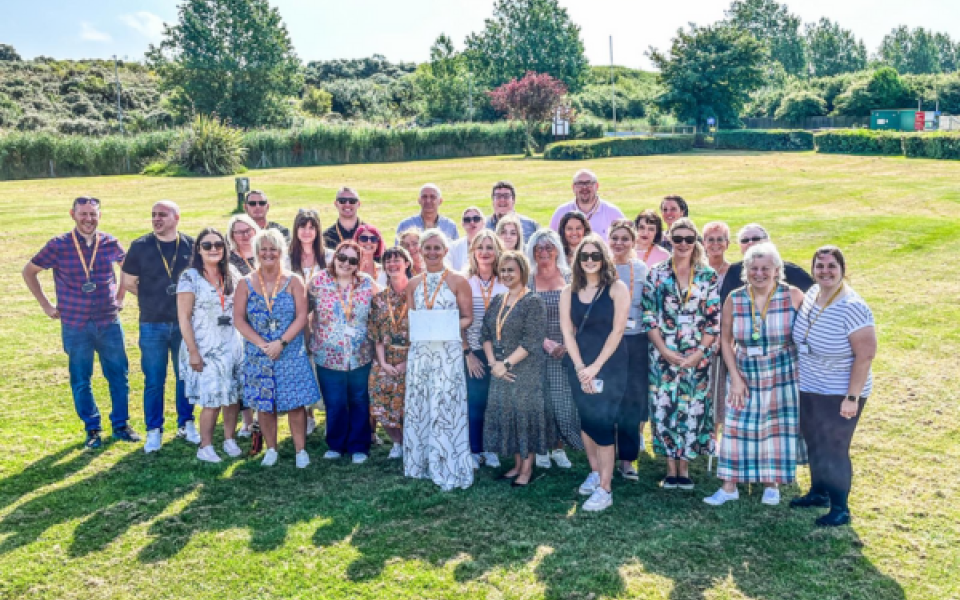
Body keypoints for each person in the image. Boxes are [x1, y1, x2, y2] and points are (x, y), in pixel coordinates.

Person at [22, 196, 139, 449]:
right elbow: (28, 271)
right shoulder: (59, 245)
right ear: (72, 214)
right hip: (75, 323)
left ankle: (121, 425)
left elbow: (128, 270)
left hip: (108, 321)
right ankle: (92, 428)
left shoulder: (109, 242)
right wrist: (45, 305)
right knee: (80, 378)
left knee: (119, 375)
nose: (88, 219)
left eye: (93, 214)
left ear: (99, 215)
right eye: (83, 214)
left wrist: (120, 296)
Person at [705, 243, 805, 507]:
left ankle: (772, 483)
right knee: (737, 425)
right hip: (745, 367)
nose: (759, 274)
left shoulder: (792, 295)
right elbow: (725, 341)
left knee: (776, 427)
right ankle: (729, 486)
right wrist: (735, 378)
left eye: (765, 269)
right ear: (746, 270)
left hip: (782, 368)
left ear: (776, 271)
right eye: (753, 268)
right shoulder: (735, 298)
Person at [790, 246, 876, 527]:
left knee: (834, 447)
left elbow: (865, 355)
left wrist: (851, 397)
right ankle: (819, 492)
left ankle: (840, 507)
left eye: (831, 266)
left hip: (840, 391)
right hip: (810, 386)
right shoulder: (813, 294)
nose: (825, 271)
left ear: (842, 269)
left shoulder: (853, 307)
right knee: (814, 440)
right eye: (820, 266)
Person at [643, 217, 720, 490]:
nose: (683, 244)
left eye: (689, 239)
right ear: (670, 241)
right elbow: (649, 316)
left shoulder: (707, 276)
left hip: (696, 358)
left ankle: (684, 468)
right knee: (664, 408)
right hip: (662, 356)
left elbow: (713, 319)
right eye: (678, 239)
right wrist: (663, 350)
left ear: (695, 241)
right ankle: (669, 468)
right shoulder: (657, 273)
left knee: (690, 410)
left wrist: (699, 352)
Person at [234, 229, 320, 467]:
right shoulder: (245, 283)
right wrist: (263, 345)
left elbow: (302, 316)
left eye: (273, 249)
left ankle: (300, 450)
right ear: (257, 252)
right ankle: (271, 449)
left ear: (281, 252)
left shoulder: (293, 281)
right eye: (264, 249)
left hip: (290, 350)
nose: (268, 253)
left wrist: (281, 342)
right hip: (259, 353)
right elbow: (239, 319)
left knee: (295, 402)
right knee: (265, 403)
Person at [560, 233, 630, 512]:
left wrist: (595, 367)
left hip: (609, 364)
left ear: (604, 259)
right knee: (586, 420)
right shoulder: (570, 291)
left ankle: (606, 487)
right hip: (579, 363)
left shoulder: (616, 288)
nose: (590, 261)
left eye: (595, 256)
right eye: (584, 256)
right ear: (578, 260)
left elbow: (618, 330)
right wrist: (579, 367)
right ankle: (594, 471)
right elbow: (567, 331)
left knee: (602, 423)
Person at [121, 201, 199, 452]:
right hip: (152, 323)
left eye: (162, 215)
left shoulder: (190, 245)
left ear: (176, 217)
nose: (156, 219)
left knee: (184, 376)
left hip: (183, 323)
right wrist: (150, 297)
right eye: (153, 215)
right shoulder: (140, 246)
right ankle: (154, 429)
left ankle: (186, 423)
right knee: (154, 379)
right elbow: (128, 281)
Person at [404, 229, 475, 491]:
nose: (432, 253)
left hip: (448, 352)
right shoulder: (413, 283)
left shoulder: (458, 281)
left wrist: (445, 325)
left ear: (446, 251)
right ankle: (420, 462)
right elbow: (412, 318)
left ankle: (448, 461)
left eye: (437, 248)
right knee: (421, 403)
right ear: (420, 251)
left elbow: (468, 317)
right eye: (427, 248)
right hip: (421, 353)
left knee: (445, 404)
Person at [176, 228, 245, 463]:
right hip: (205, 346)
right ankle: (205, 446)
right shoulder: (190, 277)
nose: (213, 249)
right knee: (211, 399)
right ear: (198, 249)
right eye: (207, 245)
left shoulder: (232, 273)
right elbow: (184, 318)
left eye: (218, 244)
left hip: (232, 343)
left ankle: (229, 438)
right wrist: (193, 352)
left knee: (232, 395)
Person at [481, 252, 549, 486]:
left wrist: (506, 364)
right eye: (504, 270)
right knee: (510, 418)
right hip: (499, 369)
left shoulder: (533, 302)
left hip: (524, 370)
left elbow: (532, 341)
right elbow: (486, 334)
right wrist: (493, 364)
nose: (507, 274)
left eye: (512, 269)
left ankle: (527, 469)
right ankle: (517, 464)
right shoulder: (498, 300)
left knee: (524, 419)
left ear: (522, 271)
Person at [310, 240, 377, 464]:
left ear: (358, 264)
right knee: (335, 402)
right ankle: (336, 444)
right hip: (327, 354)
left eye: (352, 260)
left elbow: (378, 313)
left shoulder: (367, 284)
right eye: (342, 257)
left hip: (360, 354)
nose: (346, 263)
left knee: (359, 399)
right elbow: (303, 311)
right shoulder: (318, 281)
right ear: (334, 257)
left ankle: (359, 445)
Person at [526, 229, 579, 468]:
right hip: (536, 349)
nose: (544, 252)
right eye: (539, 248)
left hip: (566, 348)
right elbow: (522, 318)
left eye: (549, 247)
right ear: (532, 252)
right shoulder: (528, 279)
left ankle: (559, 447)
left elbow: (580, 315)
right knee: (539, 401)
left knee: (562, 400)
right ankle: (541, 449)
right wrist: (544, 342)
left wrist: (567, 344)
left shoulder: (570, 278)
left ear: (557, 250)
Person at [607, 220, 650, 481]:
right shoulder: (602, 267)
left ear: (633, 242)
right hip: (608, 341)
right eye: (615, 238)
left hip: (635, 340)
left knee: (631, 401)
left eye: (625, 238)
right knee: (608, 399)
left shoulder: (642, 269)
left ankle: (627, 460)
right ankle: (605, 456)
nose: (619, 243)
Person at [463, 230, 507, 468]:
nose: (485, 252)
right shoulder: (465, 282)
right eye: (480, 247)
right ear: (473, 252)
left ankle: (492, 448)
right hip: (475, 352)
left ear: (497, 251)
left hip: (501, 353)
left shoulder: (506, 281)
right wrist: (467, 353)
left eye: (490, 247)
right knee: (476, 402)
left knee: (496, 402)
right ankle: (474, 448)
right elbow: (457, 320)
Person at [287, 209, 329, 436]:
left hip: (322, 320)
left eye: (312, 227)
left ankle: (327, 413)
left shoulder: (329, 257)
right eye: (302, 226)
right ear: (296, 230)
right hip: (294, 321)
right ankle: (308, 415)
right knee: (301, 367)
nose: (307, 231)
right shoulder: (286, 258)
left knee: (321, 366)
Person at [368, 247, 413, 459]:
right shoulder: (379, 299)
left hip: (411, 358)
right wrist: (383, 363)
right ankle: (397, 443)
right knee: (379, 398)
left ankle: (411, 441)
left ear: (407, 263)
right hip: (385, 358)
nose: (392, 265)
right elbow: (376, 333)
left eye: (397, 260)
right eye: (388, 261)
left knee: (408, 403)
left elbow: (424, 331)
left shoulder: (416, 295)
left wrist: (407, 362)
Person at [225, 213, 261, 436]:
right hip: (239, 321)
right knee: (242, 371)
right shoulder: (228, 260)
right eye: (239, 231)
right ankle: (247, 421)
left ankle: (260, 415)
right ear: (232, 236)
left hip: (264, 321)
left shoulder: (264, 253)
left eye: (248, 230)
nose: (244, 235)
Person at [720, 223, 813, 303]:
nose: (750, 242)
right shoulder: (733, 271)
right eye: (745, 240)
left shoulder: (791, 271)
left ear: (768, 241)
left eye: (756, 238)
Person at [702, 220, 732, 443]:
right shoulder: (698, 271)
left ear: (727, 243)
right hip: (700, 335)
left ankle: (714, 433)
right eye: (710, 239)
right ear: (703, 243)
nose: (715, 244)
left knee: (719, 384)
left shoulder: (735, 272)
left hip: (727, 336)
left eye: (719, 239)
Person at [549, 169, 625, 240]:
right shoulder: (560, 213)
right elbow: (552, 242)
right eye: (580, 184)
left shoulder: (613, 213)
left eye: (589, 183)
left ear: (597, 186)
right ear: (573, 187)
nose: (584, 187)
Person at [394, 183, 459, 244]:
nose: (428, 200)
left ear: (440, 201)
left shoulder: (449, 226)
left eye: (432, 197)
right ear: (419, 200)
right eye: (424, 197)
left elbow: (456, 252)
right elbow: (398, 253)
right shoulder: (406, 225)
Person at [449, 207, 485, 272]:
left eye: (476, 219)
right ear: (462, 224)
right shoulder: (453, 247)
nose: (472, 222)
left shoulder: (491, 244)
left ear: (483, 222)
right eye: (467, 220)